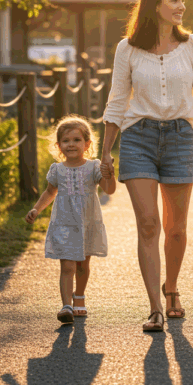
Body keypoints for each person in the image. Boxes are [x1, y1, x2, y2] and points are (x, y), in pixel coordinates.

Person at [100, 0, 193, 332]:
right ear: (156, 5)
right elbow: (117, 100)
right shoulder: (128, 48)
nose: (182, 6)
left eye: (183, 0)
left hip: (181, 137)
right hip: (138, 137)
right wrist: (105, 151)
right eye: (174, 0)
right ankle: (154, 307)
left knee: (177, 229)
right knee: (149, 224)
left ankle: (172, 290)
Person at [25, 115, 116, 324]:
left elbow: (109, 190)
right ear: (59, 146)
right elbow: (49, 192)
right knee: (67, 266)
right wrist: (36, 209)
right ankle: (66, 305)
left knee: (83, 265)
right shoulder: (57, 170)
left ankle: (79, 296)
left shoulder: (93, 167)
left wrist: (109, 174)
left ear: (87, 144)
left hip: (86, 223)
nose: (71, 144)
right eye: (66, 141)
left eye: (76, 140)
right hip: (65, 223)